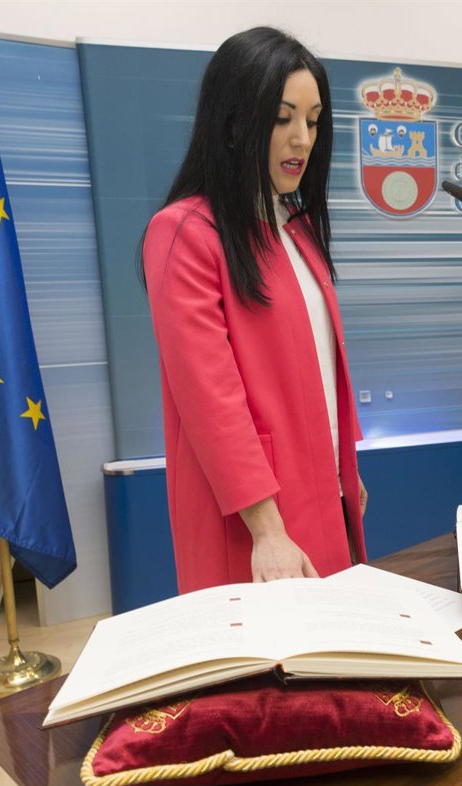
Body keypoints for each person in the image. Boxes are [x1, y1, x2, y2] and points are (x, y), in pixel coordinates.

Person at [142, 27, 367, 590]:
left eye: (313, 121)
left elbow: (322, 368)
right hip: (253, 514)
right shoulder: (184, 233)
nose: (302, 139)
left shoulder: (298, 228)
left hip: (324, 488)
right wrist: (267, 529)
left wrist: (345, 468)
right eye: (282, 118)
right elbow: (210, 398)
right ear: (235, 121)